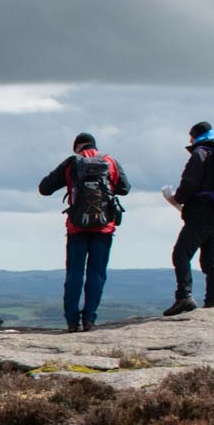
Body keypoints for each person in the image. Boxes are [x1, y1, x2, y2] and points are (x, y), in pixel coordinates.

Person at [38, 132, 130, 332]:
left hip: (77, 227)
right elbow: (125, 188)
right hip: (104, 226)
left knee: (74, 274)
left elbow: (44, 188)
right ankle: (89, 319)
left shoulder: (72, 163)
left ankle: (72, 322)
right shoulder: (110, 161)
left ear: (77, 147)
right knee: (97, 274)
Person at [165, 121, 214, 316]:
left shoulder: (200, 153)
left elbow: (190, 182)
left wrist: (177, 198)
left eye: (190, 136)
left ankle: (184, 297)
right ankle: (213, 301)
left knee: (180, 254)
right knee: (211, 260)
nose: (189, 140)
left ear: (196, 136)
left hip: (199, 213)